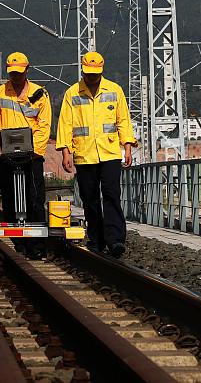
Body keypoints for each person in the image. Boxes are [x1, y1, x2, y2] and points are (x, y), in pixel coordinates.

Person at [57, 51, 136, 258]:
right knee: (89, 198)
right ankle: (96, 239)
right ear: (83, 70)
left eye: (96, 73)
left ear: (101, 70)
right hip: (84, 154)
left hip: (109, 152)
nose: (92, 77)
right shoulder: (72, 93)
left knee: (111, 195)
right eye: (89, 73)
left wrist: (127, 147)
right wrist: (66, 152)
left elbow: (123, 121)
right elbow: (65, 125)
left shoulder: (114, 90)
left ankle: (116, 239)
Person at [0, 51, 52, 258]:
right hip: (6, 155)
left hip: (32, 156)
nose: (15, 76)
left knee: (34, 199)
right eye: (12, 73)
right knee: (11, 200)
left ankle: (38, 245)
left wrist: (37, 151)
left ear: (27, 70)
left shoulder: (40, 93)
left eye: (19, 73)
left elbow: (44, 124)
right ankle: (19, 243)